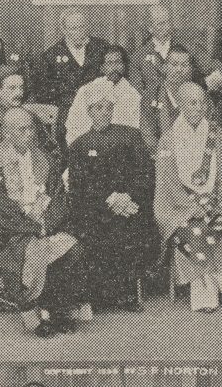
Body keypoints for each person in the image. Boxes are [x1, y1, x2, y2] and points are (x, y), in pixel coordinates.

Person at [0, 106, 88, 336]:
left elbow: (58, 197)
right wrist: (35, 227)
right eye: (22, 130)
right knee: (32, 251)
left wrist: (47, 223)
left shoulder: (45, 159)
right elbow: (0, 209)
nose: (30, 134)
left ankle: (57, 309)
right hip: (8, 230)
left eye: (31, 128)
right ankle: (31, 314)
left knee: (73, 248)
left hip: (44, 223)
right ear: (7, 133)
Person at [156, 82, 222, 312]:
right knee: (195, 230)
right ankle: (205, 296)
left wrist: (221, 201)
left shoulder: (216, 134)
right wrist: (191, 207)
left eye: (202, 102)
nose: (199, 107)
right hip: (179, 205)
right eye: (192, 103)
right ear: (180, 105)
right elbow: (167, 183)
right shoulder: (168, 139)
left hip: (212, 199)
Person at [63, 95, 157, 312]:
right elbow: (79, 186)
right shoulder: (80, 145)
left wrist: (127, 196)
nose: (104, 112)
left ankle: (127, 292)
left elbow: (145, 174)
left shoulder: (130, 136)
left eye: (108, 107)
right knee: (97, 230)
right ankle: (102, 294)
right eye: (98, 107)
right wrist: (110, 199)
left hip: (131, 204)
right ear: (89, 112)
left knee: (133, 227)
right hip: (97, 207)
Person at [65, 46, 148, 148]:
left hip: (121, 150)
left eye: (118, 62)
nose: (114, 68)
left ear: (124, 66)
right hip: (90, 148)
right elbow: (75, 126)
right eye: (109, 63)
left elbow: (134, 130)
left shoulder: (133, 95)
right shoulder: (87, 91)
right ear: (102, 67)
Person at [32, 7, 113, 112]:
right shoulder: (50, 56)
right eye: (74, 28)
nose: (79, 32)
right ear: (64, 30)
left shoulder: (102, 47)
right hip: (68, 112)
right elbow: (42, 92)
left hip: (101, 109)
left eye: (82, 27)